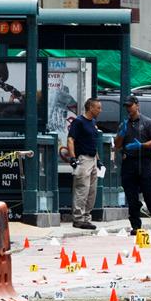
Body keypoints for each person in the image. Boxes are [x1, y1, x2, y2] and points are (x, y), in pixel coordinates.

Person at [114, 95, 151, 235]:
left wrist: (142, 145)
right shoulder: (124, 124)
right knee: (132, 198)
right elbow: (117, 145)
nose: (128, 109)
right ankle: (136, 226)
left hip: (144, 162)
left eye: (130, 105)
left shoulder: (148, 123)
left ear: (137, 105)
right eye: (126, 106)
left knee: (150, 196)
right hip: (129, 163)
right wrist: (121, 134)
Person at [66, 97, 103, 230]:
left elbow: (93, 143)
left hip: (92, 159)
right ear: (90, 107)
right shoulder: (79, 121)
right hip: (83, 159)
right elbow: (70, 139)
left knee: (92, 191)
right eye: (98, 107)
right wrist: (73, 158)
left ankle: (87, 217)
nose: (100, 110)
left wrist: (98, 160)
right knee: (82, 189)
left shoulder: (93, 122)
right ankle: (78, 218)